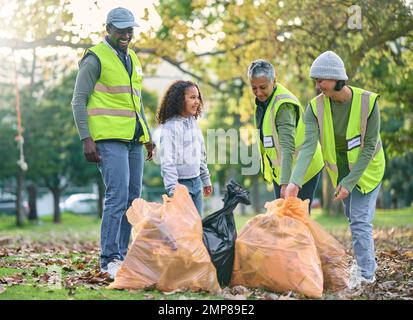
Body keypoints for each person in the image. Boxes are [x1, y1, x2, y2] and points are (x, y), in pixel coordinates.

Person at [285, 51, 385, 288]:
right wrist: (294, 182)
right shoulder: (314, 108)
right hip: (339, 171)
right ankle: (368, 262)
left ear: (337, 78)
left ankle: (366, 274)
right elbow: (308, 147)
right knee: (353, 218)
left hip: (368, 169)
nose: (318, 85)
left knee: (360, 220)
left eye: (321, 80)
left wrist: (350, 182)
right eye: (315, 80)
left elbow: (370, 146)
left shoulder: (368, 102)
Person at [71, 7, 155, 279]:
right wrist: (86, 139)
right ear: (108, 29)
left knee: (133, 200)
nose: (126, 34)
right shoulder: (95, 58)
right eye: (121, 29)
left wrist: (147, 135)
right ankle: (109, 259)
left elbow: (136, 102)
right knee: (117, 197)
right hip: (108, 140)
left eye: (130, 29)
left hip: (133, 139)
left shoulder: (132, 58)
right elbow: (78, 101)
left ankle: (123, 255)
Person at [248, 59, 324, 209]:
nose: (258, 93)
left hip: (303, 169)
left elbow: (287, 147)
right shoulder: (264, 102)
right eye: (254, 88)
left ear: (274, 81)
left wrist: (285, 183)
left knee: (297, 218)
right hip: (283, 170)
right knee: (283, 219)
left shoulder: (283, 106)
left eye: (263, 87)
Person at [156, 80, 212, 216]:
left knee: (197, 227)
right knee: (182, 230)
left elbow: (200, 154)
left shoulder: (193, 123)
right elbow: (167, 162)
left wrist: (205, 179)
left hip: (197, 183)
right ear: (180, 100)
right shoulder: (169, 127)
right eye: (192, 97)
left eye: (198, 97)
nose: (197, 101)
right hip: (180, 186)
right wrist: (174, 190)